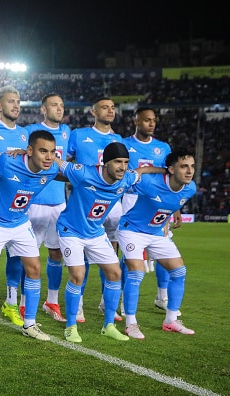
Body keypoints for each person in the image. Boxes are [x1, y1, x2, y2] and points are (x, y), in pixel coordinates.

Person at [55, 142, 165, 343]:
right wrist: (23, 153)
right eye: (117, 162)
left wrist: (166, 170)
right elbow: (56, 161)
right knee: (78, 275)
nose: (122, 167)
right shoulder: (83, 173)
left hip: (96, 233)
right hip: (70, 230)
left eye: (125, 162)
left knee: (115, 274)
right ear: (105, 163)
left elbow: (142, 170)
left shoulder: (126, 178)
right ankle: (70, 326)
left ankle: (109, 326)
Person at [0, 130, 58, 343]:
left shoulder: (51, 170)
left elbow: (68, 169)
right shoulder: (6, 161)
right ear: (29, 150)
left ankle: (29, 324)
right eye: (42, 151)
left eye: (52, 152)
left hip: (20, 222)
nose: (48, 157)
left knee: (34, 269)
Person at [117, 147, 197, 340]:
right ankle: (131, 324)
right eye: (184, 166)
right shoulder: (149, 183)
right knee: (136, 274)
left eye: (192, 166)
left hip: (156, 234)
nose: (189, 171)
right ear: (170, 169)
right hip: (132, 230)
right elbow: (124, 178)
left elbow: (172, 204)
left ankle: (170, 320)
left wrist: (171, 216)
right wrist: (144, 170)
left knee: (179, 272)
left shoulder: (191, 188)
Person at [66, 97, 123, 323]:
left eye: (112, 107)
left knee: (111, 252)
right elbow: (65, 161)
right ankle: (78, 304)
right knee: (83, 252)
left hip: (111, 202)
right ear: (93, 111)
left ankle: (105, 302)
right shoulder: (79, 135)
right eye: (105, 107)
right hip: (85, 202)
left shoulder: (118, 139)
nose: (110, 111)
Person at [121, 106, 182, 315]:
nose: (152, 123)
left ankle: (162, 297)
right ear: (136, 122)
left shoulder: (163, 148)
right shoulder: (125, 145)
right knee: (128, 253)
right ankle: (122, 299)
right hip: (131, 199)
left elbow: (170, 177)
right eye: (147, 120)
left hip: (159, 202)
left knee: (163, 247)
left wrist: (174, 207)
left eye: (154, 120)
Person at [0, 85, 29, 327]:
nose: (16, 105)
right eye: (11, 101)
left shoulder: (26, 134)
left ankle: (10, 303)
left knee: (17, 259)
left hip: (18, 208)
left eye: (18, 101)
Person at [22, 93, 71, 322]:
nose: (59, 109)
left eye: (61, 105)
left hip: (59, 203)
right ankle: (21, 303)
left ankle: (52, 301)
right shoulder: (30, 130)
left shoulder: (68, 132)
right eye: (54, 105)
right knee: (26, 255)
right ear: (43, 109)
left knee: (56, 253)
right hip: (34, 201)